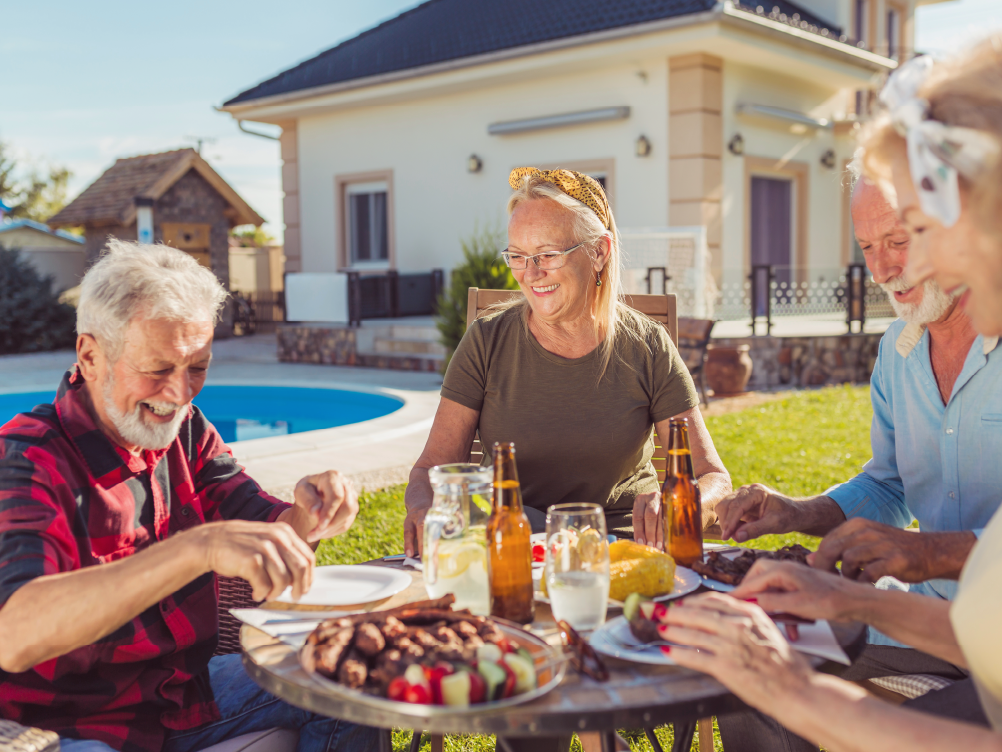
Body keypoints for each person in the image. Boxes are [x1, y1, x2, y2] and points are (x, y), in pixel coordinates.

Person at [660, 38, 1002, 752]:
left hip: (975, 663)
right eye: (869, 247)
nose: (891, 267)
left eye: (914, 233)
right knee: (742, 680)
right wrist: (811, 532)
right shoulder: (897, 354)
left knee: (779, 692)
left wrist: (926, 555)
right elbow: (888, 485)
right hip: (929, 623)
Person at [0, 242, 378, 752]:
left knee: (356, 675)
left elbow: (268, 527)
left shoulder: (186, 430)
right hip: (67, 727)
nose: (180, 394)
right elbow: (15, 633)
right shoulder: (27, 460)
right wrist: (192, 549)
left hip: (183, 697)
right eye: (157, 368)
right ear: (91, 356)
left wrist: (312, 512)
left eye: (197, 366)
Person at [403, 168, 731, 557]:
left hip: (623, 549)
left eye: (548, 254)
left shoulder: (647, 345)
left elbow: (713, 477)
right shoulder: (486, 341)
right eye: (518, 256)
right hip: (514, 547)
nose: (531, 274)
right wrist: (425, 510)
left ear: (599, 252)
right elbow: (430, 469)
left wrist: (679, 505)